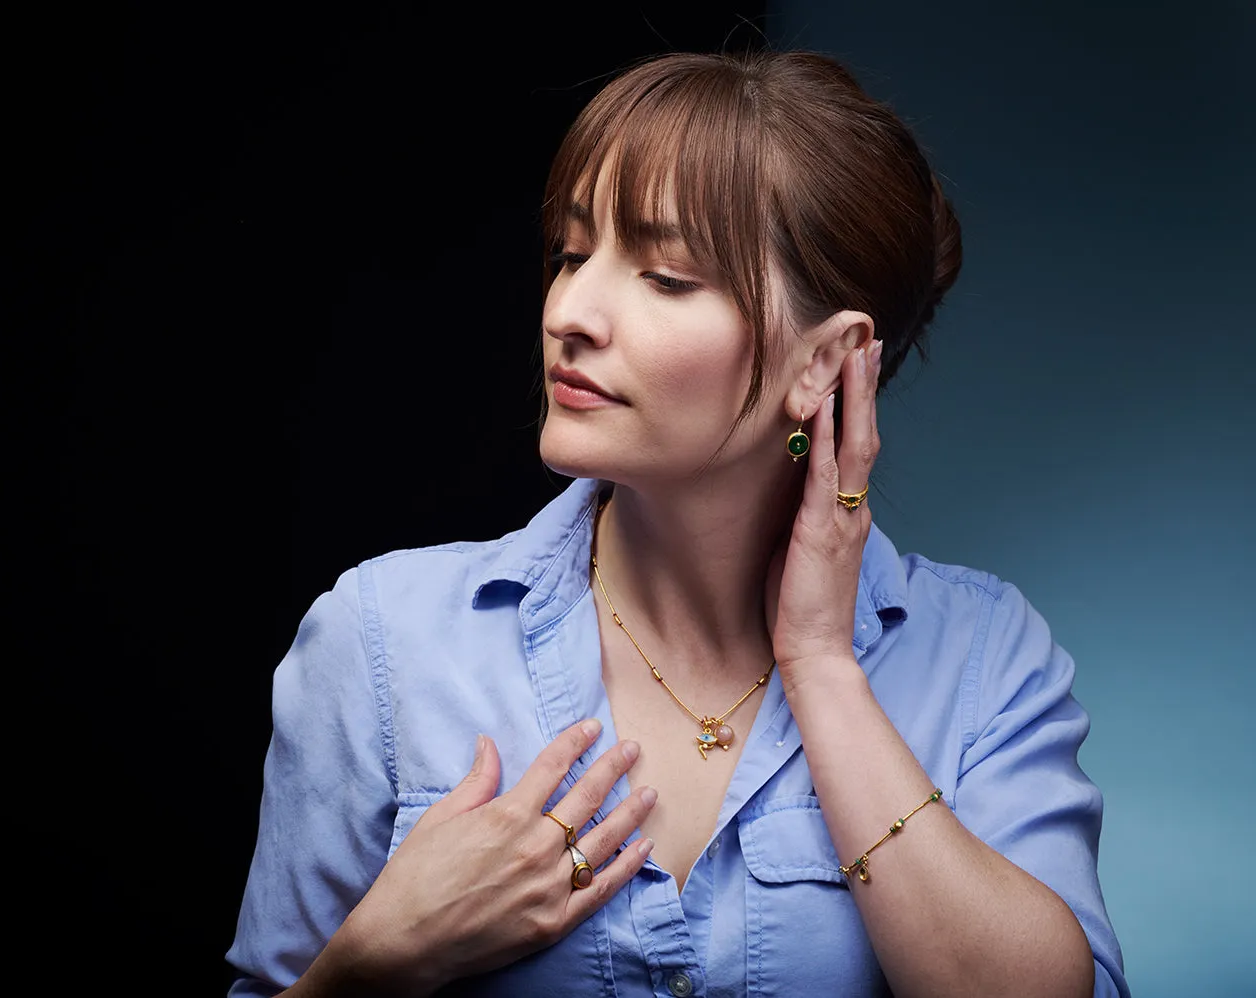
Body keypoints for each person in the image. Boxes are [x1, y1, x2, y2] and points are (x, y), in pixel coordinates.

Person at [227, 48, 1130, 997]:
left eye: (664, 276)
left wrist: (821, 660)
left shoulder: (986, 662)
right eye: (570, 255)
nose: (570, 311)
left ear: (826, 362)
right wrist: (376, 959)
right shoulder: (381, 640)